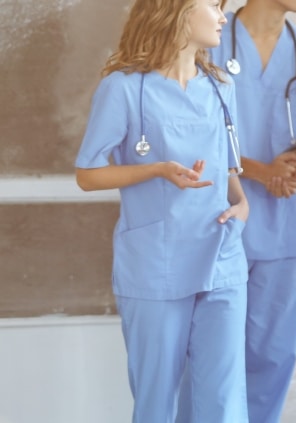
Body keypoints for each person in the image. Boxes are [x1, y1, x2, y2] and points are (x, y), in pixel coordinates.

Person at [74, 0, 250, 421]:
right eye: (214, 5)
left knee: (223, 401)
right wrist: (155, 169)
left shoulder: (220, 86)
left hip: (221, 255)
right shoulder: (123, 87)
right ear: (178, 10)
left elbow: (228, 165)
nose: (224, 15)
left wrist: (242, 202)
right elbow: (88, 174)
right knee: (156, 403)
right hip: (156, 262)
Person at [183, 1, 296, 421]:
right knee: (207, 361)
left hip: (281, 229)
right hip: (215, 221)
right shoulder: (205, 43)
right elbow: (183, 133)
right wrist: (262, 171)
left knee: (273, 356)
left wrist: (294, 163)